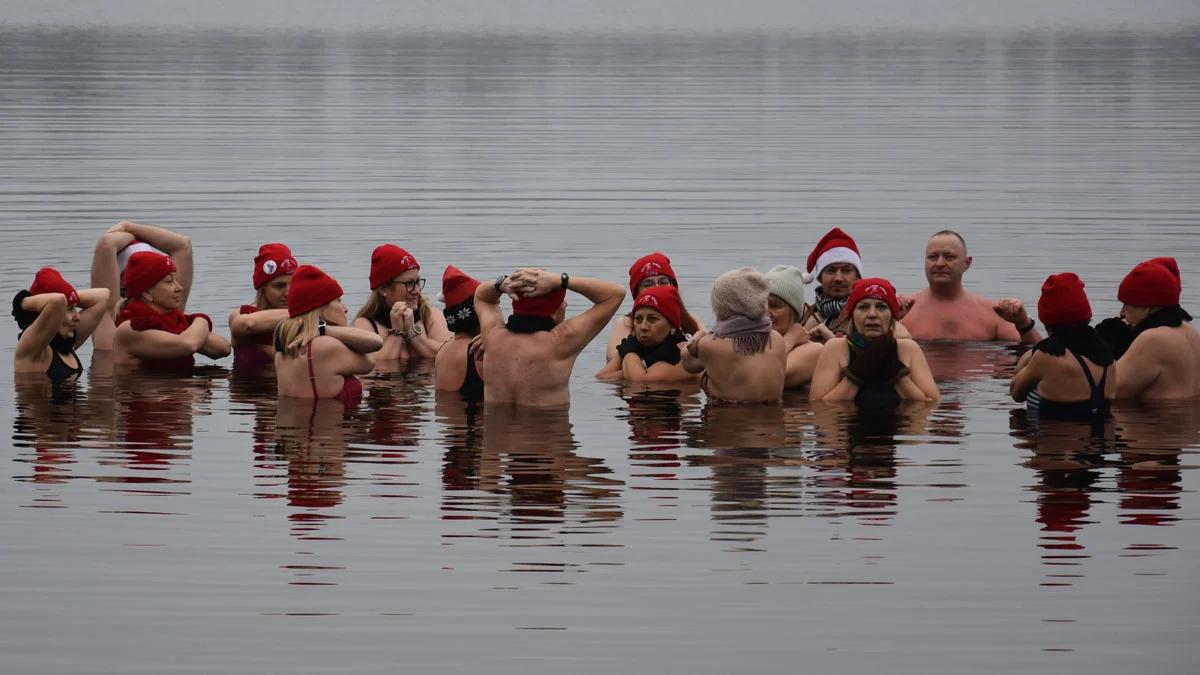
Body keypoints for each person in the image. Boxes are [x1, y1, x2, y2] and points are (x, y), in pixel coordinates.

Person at [474, 267, 625, 407]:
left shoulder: (492, 337)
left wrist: (502, 283)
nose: (565, 305)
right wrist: (562, 280)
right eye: (561, 302)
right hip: (549, 433)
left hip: (497, 434)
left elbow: (482, 296)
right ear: (553, 311)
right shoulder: (562, 341)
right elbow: (615, 294)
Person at [810, 278, 939, 407]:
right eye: (863, 307)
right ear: (852, 316)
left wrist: (897, 374)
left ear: (892, 317)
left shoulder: (908, 349)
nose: (872, 314)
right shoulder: (835, 348)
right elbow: (820, 406)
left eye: (881, 307)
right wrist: (857, 372)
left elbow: (931, 402)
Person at [900, 230, 1043, 343]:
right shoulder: (903, 311)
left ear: (967, 263)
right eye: (933, 257)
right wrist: (892, 321)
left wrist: (1023, 322)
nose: (940, 263)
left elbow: (1039, 357)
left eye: (949, 257)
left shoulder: (993, 313)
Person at [1010, 273, 1116, 419]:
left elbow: (1015, 392)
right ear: (1087, 316)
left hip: (1056, 437)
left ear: (1046, 319)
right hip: (1102, 438)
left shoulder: (1045, 357)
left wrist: (1035, 349)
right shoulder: (1108, 357)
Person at [275, 265, 383, 402]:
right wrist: (324, 329)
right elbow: (371, 357)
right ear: (322, 309)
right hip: (329, 422)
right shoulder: (326, 346)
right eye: (338, 301)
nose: (345, 309)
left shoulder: (282, 351)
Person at [681, 268, 787, 404]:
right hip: (774, 420)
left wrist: (697, 338)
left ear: (723, 307)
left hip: (728, 421)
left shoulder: (711, 345)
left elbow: (688, 364)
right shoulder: (777, 339)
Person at [1100, 258, 1200, 399]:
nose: (1122, 313)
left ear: (1147, 307)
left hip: (1157, 420)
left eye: (1126, 305)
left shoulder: (1154, 339)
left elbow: (1109, 392)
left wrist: (1106, 348)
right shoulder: (1189, 330)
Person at [112, 251, 231, 368]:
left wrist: (197, 322)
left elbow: (223, 348)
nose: (179, 288)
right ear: (147, 293)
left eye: (176, 280)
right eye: (169, 281)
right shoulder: (130, 328)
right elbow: (188, 345)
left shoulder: (175, 321)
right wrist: (201, 320)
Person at [602, 252, 704, 366]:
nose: (657, 287)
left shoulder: (692, 320)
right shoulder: (626, 324)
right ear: (637, 294)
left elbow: (708, 358)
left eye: (663, 282)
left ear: (673, 286)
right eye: (648, 284)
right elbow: (612, 368)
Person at [353, 244, 452, 359]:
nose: (417, 290)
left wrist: (412, 334)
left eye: (418, 282)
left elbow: (451, 356)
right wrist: (397, 331)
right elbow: (375, 366)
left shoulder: (429, 316)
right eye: (409, 283)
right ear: (384, 289)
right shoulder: (365, 324)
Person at [13, 268, 110, 381]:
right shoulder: (34, 350)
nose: (77, 317)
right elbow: (57, 301)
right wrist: (21, 303)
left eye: (75, 307)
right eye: (69, 309)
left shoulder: (67, 342)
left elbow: (103, 296)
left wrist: (70, 296)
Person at [596, 285, 697, 383]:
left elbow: (639, 381)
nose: (643, 327)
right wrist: (630, 368)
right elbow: (600, 378)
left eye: (652, 319)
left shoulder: (683, 352)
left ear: (672, 325)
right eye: (638, 319)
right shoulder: (634, 344)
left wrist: (629, 354)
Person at [228, 243, 297, 369]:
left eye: (294, 285)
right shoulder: (242, 315)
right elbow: (246, 324)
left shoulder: (307, 321)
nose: (288, 293)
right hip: (251, 386)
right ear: (262, 289)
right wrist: (307, 312)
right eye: (279, 286)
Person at [765, 265, 824, 389]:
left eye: (775, 306)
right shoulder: (751, 342)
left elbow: (764, 378)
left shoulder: (814, 350)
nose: (766, 312)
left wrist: (790, 339)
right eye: (761, 305)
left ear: (794, 312)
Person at [801, 227, 866, 339]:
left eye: (846, 270)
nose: (838, 278)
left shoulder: (869, 316)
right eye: (831, 270)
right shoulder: (803, 315)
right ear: (820, 277)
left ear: (858, 277)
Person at [433, 266, 485, 401]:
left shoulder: (443, 349)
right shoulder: (478, 351)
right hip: (473, 420)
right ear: (478, 314)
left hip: (448, 419)